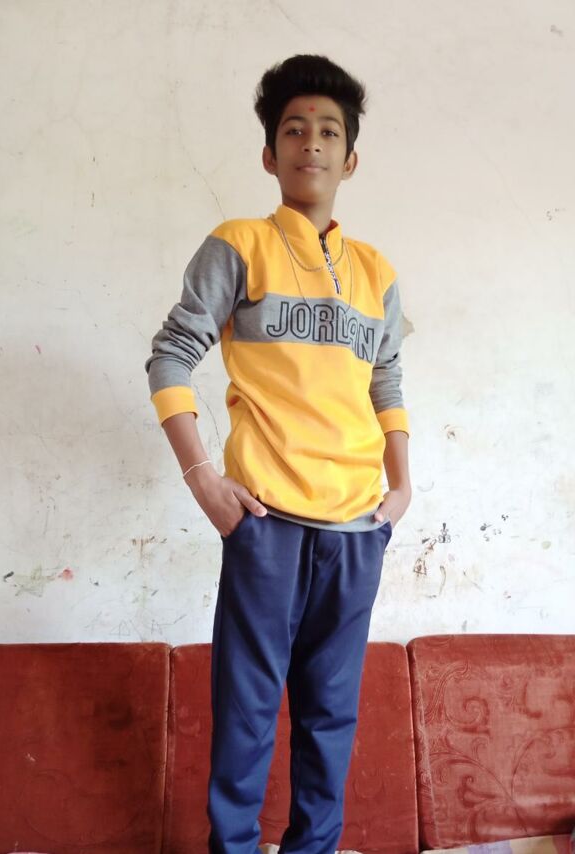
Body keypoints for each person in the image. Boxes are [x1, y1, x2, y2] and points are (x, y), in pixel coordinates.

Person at [145, 54, 411, 854]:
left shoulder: (377, 273)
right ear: (270, 154)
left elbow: (387, 378)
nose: (311, 143)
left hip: (357, 529)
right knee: (248, 712)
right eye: (294, 129)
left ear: (350, 158)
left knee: (330, 717)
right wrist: (203, 479)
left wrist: (401, 486)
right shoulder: (240, 245)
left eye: (328, 131)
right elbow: (171, 355)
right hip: (266, 524)